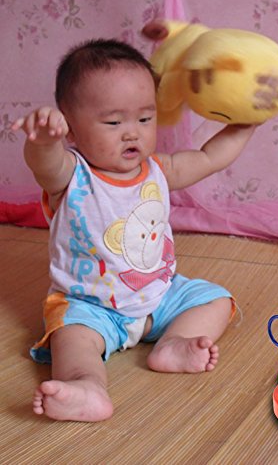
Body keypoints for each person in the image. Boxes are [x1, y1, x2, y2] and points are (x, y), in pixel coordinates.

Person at [12, 38, 258, 422]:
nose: (132, 133)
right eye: (113, 122)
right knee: (71, 337)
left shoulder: (159, 168)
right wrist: (44, 140)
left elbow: (209, 158)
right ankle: (86, 386)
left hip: (159, 294)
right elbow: (44, 163)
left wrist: (247, 123)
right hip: (91, 306)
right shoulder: (71, 175)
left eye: (145, 119)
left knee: (216, 300)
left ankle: (173, 344)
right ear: (71, 130)